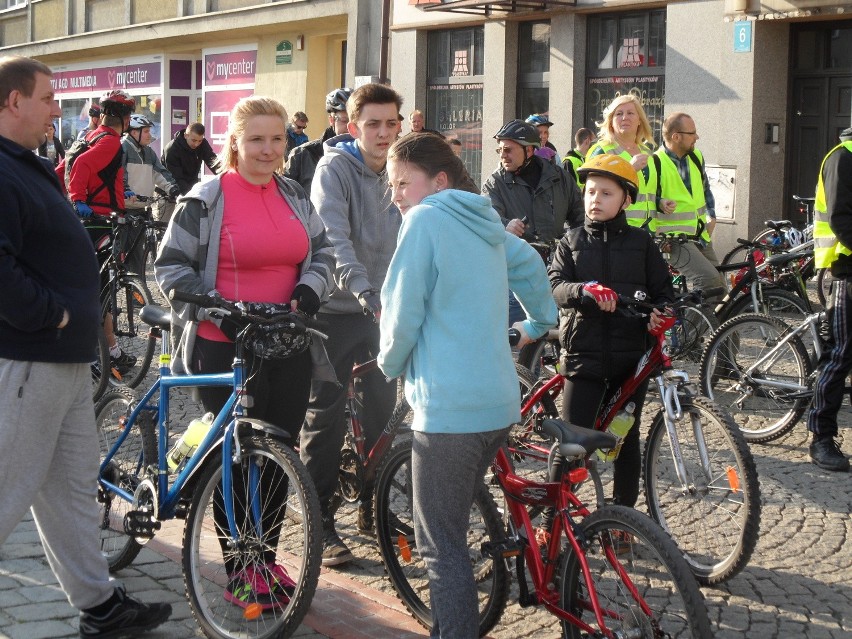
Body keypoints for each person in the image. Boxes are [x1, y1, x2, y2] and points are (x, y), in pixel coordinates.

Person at [0, 54, 171, 639]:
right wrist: (52, 313)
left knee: (71, 492)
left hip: (66, 362)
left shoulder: (28, 164)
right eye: (48, 98)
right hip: (31, 358)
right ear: (11, 101)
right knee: (7, 488)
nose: (59, 108)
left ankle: (99, 606)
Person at [154, 95, 336, 607]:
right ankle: (240, 568)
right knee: (236, 459)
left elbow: (321, 251)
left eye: (277, 139)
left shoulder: (294, 192)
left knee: (279, 459)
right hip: (225, 347)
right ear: (234, 141)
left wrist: (310, 290)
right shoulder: (207, 197)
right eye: (256, 139)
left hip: (287, 342)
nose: (269, 149)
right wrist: (217, 308)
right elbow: (170, 268)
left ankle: (267, 560)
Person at [378, 132, 557, 638]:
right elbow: (531, 267)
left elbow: (401, 308)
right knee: (456, 517)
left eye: (402, 184)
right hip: (499, 402)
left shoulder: (425, 219)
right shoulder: (485, 221)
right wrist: (536, 323)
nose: (396, 195)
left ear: (437, 181)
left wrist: (387, 363)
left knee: (442, 546)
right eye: (391, 186)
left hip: (448, 410)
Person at [300, 82, 403, 567]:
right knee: (327, 413)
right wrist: (361, 288)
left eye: (391, 123)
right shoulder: (334, 168)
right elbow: (332, 234)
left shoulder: (403, 170)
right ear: (353, 126)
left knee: (385, 412)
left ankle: (372, 506)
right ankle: (320, 520)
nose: (383, 133)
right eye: (373, 124)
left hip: (383, 307)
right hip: (337, 308)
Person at [549, 154, 674, 515]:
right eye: (590, 192)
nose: (595, 200)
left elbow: (664, 295)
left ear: (626, 199)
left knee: (626, 439)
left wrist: (661, 315)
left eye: (606, 193)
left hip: (629, 361)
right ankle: (553, 518)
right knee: (571, 442)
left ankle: (623, 517)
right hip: (584, 357)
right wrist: (582, 291)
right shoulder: (570, 241)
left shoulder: (643, 244)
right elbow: (555, 286)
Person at [482, 118, 583, 324]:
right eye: (500, 150)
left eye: (509, 150)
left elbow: (579, 218)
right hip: (516, 272)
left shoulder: (559, 178)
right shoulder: (496, 182)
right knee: (518, 333)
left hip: (556, 268)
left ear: (529, 151)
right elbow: (486, 219)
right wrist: (504, 225)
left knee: (557, 330)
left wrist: (576, 251)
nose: (503, 155)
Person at [807, 127, 852, 472]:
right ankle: (821, 437)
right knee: (841, 354)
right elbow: (841, 220)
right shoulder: (843, 158)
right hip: (847, 269)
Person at [650, 113, 725, 296]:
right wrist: (659, 204)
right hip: (673, 240)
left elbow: (705, 189)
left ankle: (716, 325)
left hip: (700, 235)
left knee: (721, 288)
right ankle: (695, 325)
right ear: (676, 137)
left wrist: (711, 216)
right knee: (709, 281)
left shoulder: (696, 157)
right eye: (692, 133)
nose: (697, 137)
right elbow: (646, 201)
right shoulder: (655, 162)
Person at [121, 113, 181, 274]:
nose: (150, 135)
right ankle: (121, 283)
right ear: (134, 132)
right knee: (124, 252)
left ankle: (136, 289)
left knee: (138, 254)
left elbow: (160, 173)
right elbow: (119, 175)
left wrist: (174, 190)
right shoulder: (123, 148)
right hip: (125, 209)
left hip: (142, 208)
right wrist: (126, 190)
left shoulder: (148, 152)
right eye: (146, 131)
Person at [587, 94, 657, 227]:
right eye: (619, 114)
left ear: (639, 120)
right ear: (611, 121)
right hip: (617, 230)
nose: (625, 117)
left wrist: (660, 202)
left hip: (648, 231)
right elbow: (592, 191)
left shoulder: (647, 152)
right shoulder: (601, 150)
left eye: (630, 113)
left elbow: (646, 193)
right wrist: (629, 169)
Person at [284, 87, 352, 192]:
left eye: (356, 121)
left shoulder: (369, 157)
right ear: (332, 120)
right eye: (344, 120)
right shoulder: (303, 154)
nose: (350, 126)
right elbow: (284, 196)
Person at [161, 121, 221, 224]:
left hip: (189, 188)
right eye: (193, 140)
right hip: (169, 191)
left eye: (200, 141)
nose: (196, 144)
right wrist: (192, 195)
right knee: (164, 227)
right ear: (186, 135)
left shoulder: (202, 144)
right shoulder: (172, 149)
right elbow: (176, 178)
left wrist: (226, 175)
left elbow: (213, 162)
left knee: (188, 228)